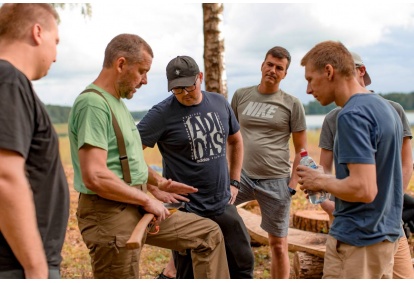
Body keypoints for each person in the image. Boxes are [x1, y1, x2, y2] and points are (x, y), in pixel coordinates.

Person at [68, 34, 229, 279]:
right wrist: (145, 200)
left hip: (135, 204)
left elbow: (128, 159)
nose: (144, 81)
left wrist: (158, 183)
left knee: (208, 234)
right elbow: (95, 176)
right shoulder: (93, 104)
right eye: (142, 71)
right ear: (121, 64)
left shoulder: (117, 103)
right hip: (109, 215)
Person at [138, 55, 255, 279]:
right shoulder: (161, 114)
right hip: (187, 210)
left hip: (222, 202)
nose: (184, 93)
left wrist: (235, 181)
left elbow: (235, 140)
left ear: (199, 77)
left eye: (189, 86)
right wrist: (154, 187)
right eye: (177, 90)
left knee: (243, 264)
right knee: (188, 272)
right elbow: (129, 153)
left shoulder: (219, 103)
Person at [298, 40, 404, 279]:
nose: (307, 90)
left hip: (359, 241)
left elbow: (364, 189)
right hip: (385, 236)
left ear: (329, 71)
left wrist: (319, 182)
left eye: (309, 79)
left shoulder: (351, 115)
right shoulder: (384, 107)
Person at [0, 4, 69, 279]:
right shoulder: (8, 81)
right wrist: (36, 268)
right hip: (18, 267)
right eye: (56, 41)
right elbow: (5, 176)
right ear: (37, 32)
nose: (56, 56)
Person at [231, 46, 307, 279]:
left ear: (285, 74)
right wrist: (228, 173)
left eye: (279, 68)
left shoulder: (292, 104)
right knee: (217, 217)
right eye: (270, 65)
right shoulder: (241, 95)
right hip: (241, 176)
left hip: (276, 180)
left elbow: (301, 149)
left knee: (277, 244)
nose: (273, 70)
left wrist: (293, 183)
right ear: (262, 65)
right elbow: (229, 138)